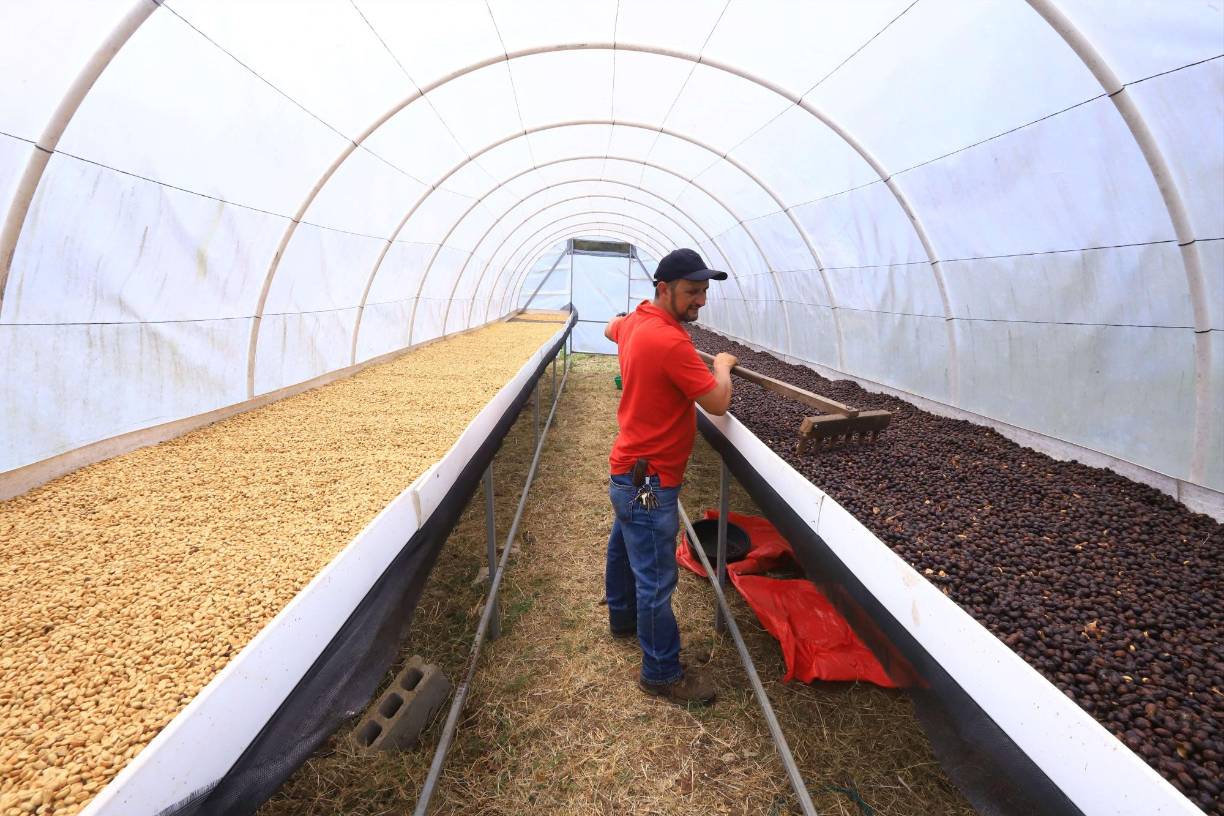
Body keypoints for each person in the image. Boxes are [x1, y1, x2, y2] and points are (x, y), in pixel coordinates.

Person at [602, 247, 738, 705]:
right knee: (657, 580)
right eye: (692, 292)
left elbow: (610, 327)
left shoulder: (637, 322)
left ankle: (622, 620)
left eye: (704, 292)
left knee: (624, 546)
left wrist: (625, 331)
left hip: (627, 472)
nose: (700, 300)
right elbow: (717, 402)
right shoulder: (671, 341)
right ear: (664, 289)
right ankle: (660, 672)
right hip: (651, 481)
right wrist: (720, 365)